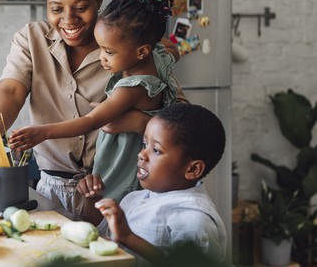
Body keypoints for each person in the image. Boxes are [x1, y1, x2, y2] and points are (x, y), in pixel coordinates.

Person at [0, 0, 185, 215]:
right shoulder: (31, 38)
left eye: (81, 8)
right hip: (51, 190)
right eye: (56, 9)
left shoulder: (128, 46)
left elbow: (181, 115)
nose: (69, 20)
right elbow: (11, 90)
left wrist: (137, 122)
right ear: (46, 2)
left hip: (119, 189)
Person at [8, 0, 179, 204]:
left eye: (107, 52)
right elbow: (172, 50)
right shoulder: (153, 58)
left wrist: (43, 132)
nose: (101, 57)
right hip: (63, 183)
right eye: (56, 8)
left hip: (114, 180)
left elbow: (91, 122)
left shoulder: (130, 86)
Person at [81, 103, 227, 264]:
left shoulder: (194, 220)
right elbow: (101, 235)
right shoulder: (134, 198)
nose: (142, 154)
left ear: (192, 169)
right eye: (144, 144)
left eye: (156, 150)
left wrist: (129, 238)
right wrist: (92, 198)